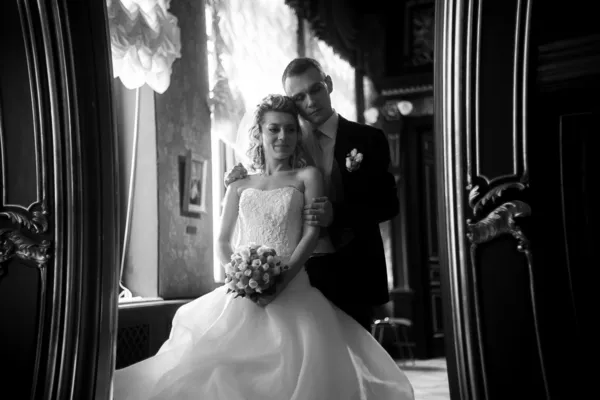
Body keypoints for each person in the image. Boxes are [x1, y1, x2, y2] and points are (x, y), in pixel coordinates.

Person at [112, 94, 414, 399]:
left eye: (290, 129)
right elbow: (221, 240)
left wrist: (282, 280)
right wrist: (240, 277)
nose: (283, 136)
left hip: (294, 286)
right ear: (259, 132)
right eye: (274, 129)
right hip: (241, 290)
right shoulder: (239, 184)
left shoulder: (308, 176)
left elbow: (311, 235)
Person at [282, 57, 400, 331]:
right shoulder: (286, 145)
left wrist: (338, 213)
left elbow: (388, 204)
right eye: (299, 97)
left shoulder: (369, 139)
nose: (310, 102)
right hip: (300, 274)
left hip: (356, 272)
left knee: (356, 365)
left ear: (329, 85)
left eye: (315, 89)